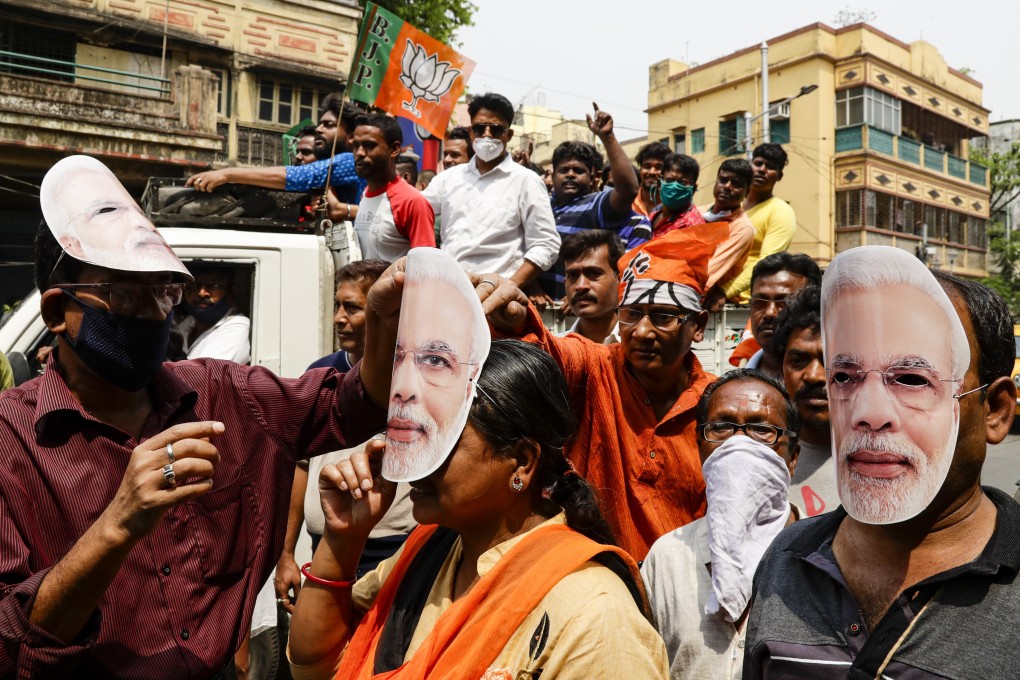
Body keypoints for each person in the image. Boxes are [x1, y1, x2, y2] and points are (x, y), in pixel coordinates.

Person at [0, 155, 402, 678]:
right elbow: (12, 643)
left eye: (164, 292)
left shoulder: (223, 394)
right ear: (57, 312)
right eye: (125, 293)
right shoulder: (11, 440)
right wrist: (117, 525)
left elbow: (351, 405)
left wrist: (389, 321)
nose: (152, 314)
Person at [287, 340, 669, 679]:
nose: (414, 461)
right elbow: (313, 666)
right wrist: (343, 537)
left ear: (521, 461)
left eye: (439, 440)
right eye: (412, 436)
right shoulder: (428, 550)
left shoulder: (597, 615)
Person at [743, 246, 1020, 679]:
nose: (868, 411)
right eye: (846, 378)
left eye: (911, 380)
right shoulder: (787, 559)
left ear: (995, 411)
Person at [493, 222, 730, 559]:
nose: (643, 332)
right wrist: (513, 317)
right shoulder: (595, 369)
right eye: (632, 315)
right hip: (599, 582)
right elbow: (545, 350)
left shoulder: (718, 404)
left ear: (699, 326)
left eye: (663, 317)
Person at [276, 260, 416, 610]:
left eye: (352, 307)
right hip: (323, 542)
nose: (339, 317)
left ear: (386, 311)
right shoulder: (321, 372)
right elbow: (301, 465)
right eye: (337, 305)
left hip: (392, 547)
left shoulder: (414, 377)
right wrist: (286, 554)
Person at [643, 369, 800, 680]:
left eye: (761, 429)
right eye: (721, 428)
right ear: (700, 446)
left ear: (793, 456)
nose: (738, 444)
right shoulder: (666, 559)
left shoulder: (823, 560)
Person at [422, 92, 559, 288]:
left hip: (499, 298)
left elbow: (546, 244)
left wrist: (509, 287)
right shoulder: (447, 179)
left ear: (508, 135)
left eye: (495, 129)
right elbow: (415, 209)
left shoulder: (526, 181)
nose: (486, 135)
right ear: (471, 132)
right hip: (449, 290)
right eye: (479, 128)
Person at [541, 104, 645, 301]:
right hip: (539, 309)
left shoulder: (596, 204)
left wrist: (608, 137)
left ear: (593, 178)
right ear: (552, 175)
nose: (570, 175)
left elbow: (629, 190)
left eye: (578, 170)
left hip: (581, 307)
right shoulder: (541, 206)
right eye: (564, 170)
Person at [186, 96, 367, 209]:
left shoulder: (348, 161)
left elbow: (295, 176)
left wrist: (227, 173)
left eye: (328, 125)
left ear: (351, 136)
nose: (319, 129)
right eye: (320, 123)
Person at [39, 155, 187, 274]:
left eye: (141, 213)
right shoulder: (85, 303)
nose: (140, 222)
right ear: (74, 244)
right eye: (107, 210)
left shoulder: (168, 304)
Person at [773, 284, 838, 517]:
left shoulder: (888, 462)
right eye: (799, 360)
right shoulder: (763, 459)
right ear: (781, 368)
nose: (814, 376)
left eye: (830, 360)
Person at [350, 114, 435, 262]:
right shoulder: (365, 195)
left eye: (369, 145)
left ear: (394, 149)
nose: (359, 153)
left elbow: (426, 268)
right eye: (356, 145)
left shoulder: (412, 202)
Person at [724, 143, 797, 303]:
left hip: (745, 304)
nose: (762, 169)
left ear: (779, 176)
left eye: (770, 167)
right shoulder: (730, 204)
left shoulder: (780, 212)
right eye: (758, 163)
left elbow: (765, 261)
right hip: (713, 294)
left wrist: (724, 291)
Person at [745, 252, 821, 377]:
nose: (769, 313)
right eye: (759, 302)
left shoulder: (839, 385)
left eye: (784, 302)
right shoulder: (734, 389)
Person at [699, 159, 757, 312]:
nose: (727, 187)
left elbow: (709, 272)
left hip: (703, 300)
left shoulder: (742, 228)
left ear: (747, 192)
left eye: (736, 184)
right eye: (723, 180)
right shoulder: (697, 213)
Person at [172, 263, 250, 364]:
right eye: (194, 285)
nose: (202, 293)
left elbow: (201, 375)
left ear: (231, 292)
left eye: (214, 285)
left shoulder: (238, 325)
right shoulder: (186, 324)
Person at [558, 230, 625, 344]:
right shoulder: (554, 350)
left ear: (620, 280)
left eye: (593, 273)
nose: (580, 286)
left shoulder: (640, 349)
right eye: (572, 275)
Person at [648, 154, 706, 240]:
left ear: (693, 189)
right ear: (660, 184)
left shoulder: (692, 226)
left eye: (682, 182)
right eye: (670, 180)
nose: (674, 186)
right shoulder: (655, 214)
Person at [633, 142, 669, 218]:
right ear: (640, 169)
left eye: (659, 167)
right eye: (647, 166)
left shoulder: (675, 206)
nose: (652, 172)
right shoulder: (628, 201)